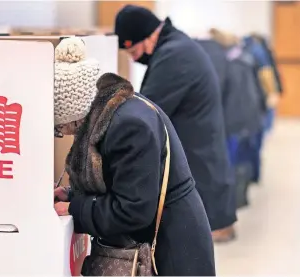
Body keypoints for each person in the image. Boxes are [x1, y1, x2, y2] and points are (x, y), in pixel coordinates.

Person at [53, 37, 215, 275]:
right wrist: (72, 194)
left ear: (76, 114)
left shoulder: (129, 127)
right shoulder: (117, 111)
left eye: (60, 127)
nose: (62, 133)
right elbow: (121, 181)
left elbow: (132, 211)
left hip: (169, 252)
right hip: (160, 239)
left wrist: (75, 208)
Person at [114, 5, 238, 242]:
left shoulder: (175, 56)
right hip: (200, 158)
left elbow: (145, 111)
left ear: (148, 37)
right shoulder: (176, 46)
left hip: (200, 170)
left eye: (134, 51)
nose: (135, 59)